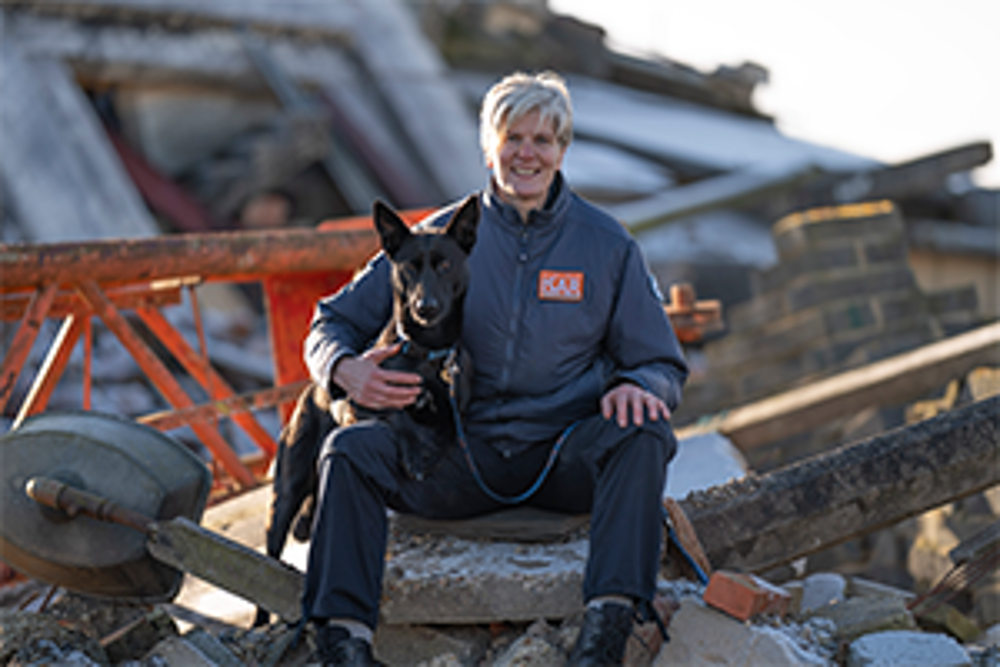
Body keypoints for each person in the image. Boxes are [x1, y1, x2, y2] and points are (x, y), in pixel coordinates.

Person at [301, 71, 688, 665]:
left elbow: (661, 361)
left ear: (563, 149)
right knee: (348, 451)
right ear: (489, 146)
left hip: (561, 458)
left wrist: (642, 385)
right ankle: (342, 640)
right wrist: (344, 370)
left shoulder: (608, 246)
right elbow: (330, 324)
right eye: (513, 138)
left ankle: (609, 627)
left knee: (646, 434)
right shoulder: (435, 240)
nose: (526, 153)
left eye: (543, 139)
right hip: (450, 459)